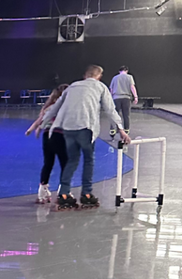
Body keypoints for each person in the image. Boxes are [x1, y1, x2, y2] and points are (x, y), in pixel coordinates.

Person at [40, 64, 130, 210]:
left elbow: (56, 107)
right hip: (86, 128)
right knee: (89, 160)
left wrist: (43, 123)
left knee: (72, 161)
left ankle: (63, 194)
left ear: (85, 75)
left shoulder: (73, 86)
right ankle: (86, 194)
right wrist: (121, 129)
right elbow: (110, 109)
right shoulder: (100, 87)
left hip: (68, 128)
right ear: (99, 76)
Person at [25, 84, 69, 203]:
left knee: (48, 163)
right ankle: (64, 191)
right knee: (65, 163)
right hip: (59, 136)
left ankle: (42, 191)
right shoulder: (65, 107)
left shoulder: (48, 107)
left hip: (47, 136)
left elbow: (40, 120)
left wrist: (31, 129)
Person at [109, 65, 137, 131]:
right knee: (126, 115)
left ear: (119, 71)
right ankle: (126, 129)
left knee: (115, 114)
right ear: (127, 71)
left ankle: (113, 129)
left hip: (116, 98)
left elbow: (111, 89)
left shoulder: (115, 78)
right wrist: (135, 96)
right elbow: (132, 87)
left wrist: (110, 99)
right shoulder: (130, 77)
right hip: (126, 98)